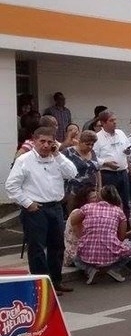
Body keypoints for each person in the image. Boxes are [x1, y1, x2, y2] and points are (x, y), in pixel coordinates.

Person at [5, 126, 78, 295]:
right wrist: (27, 203)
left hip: (55, 207)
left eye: (50, 142)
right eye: (42, 141)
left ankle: (56, 281)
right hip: (35, 209)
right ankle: (41, 285)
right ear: (35, 141)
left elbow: (72, 173)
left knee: (57, 246)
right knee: (37, 248)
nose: (46, 145)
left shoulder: (57, 158)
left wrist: (58, 155)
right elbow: (12, 186)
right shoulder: (24, 160)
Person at [71, 185, 131, 284]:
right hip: (109, 253)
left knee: (76, 258)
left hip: (87, 251)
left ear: (99, 196)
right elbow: (121, 237)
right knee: (129, 247)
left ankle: (92, 270)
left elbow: (73, 221)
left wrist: (84, 235)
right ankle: (111, 270)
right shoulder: (119, 212)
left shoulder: (86, 208)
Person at [93, 110, 131, 219]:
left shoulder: (121, 133)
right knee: (110, 202)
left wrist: (129, 152)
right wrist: (106, 163)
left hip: (123, 172)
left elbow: (129, 149)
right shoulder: (97, 138)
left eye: (115, 120)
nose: (115, 122)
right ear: (103, 123)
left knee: (124, 201)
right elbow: (93, 158)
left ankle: (126, 229)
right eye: (111, 121)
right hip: (108, 174)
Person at [62, 129, 101, 209]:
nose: (90, 147)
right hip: (73, 190)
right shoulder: (69, 152)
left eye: (92, 144)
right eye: (87, 144)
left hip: (90, 190)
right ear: (80, 142)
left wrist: (99, 187)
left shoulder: (92, 152)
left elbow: (97, 170)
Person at [64, 187, 99, 268]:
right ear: (85, 200)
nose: (97, 200)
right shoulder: (77, 213)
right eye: (94, 197)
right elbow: (81, 236)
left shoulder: (93, 212)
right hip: (76, 253)